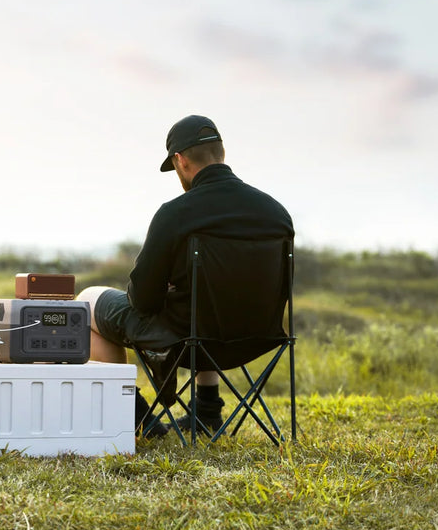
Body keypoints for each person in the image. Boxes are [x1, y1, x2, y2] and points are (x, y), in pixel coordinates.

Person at [78, 115, 293, 435]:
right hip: (255, 337)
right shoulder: (277, 214)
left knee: (86, 303)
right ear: (221, 153)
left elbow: (143, 302)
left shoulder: (176, 214)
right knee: (204, 305)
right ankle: (207, 410)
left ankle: (138, 415)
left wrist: (166, 289)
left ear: (180, 160)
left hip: (185, 340)